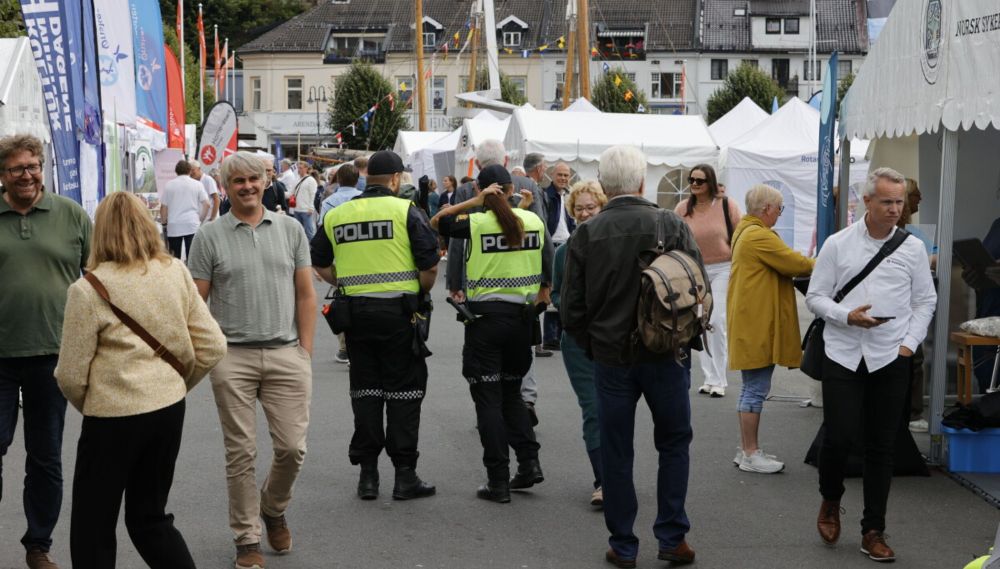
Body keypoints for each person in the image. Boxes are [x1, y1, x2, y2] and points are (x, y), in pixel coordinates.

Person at [54, 192, 226, 569]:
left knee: (92, 525)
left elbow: (69, 374)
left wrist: (96, 401)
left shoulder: (88, 289)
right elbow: (212, 345)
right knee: (150, 517)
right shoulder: (174, 271)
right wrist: (176, 383)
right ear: (148, 224)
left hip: (111, 417)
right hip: (167, 409)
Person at [561, 145, 699, 567]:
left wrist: (593, 345)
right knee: (674, 442)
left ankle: (624, 544)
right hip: (665, 353)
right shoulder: (671, 223)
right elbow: (696, 290)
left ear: (604, 186)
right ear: (643, 182)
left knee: (616, 449)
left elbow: (571, 309)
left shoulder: (586, 233)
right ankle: (672, 536)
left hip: (610, 357)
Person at [187, 151, 317, 569]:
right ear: (225, 187)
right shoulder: (209, 236)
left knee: (292, 448)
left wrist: (305, 352)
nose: (246, 187)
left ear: (266, 181)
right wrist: (208, 355)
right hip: (233, 358)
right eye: (237, 181)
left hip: (286, 353)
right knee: (240, 453)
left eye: (253, 179)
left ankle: (273, 506)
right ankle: (247, 539)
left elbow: (305, 294)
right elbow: (196, 303)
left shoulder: (291, 229)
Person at [806, 167, 936, 562]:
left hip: (890, 355)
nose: (895, 209)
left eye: (899, 202)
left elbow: (924, 301)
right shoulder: (838, 244)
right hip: (843, 352)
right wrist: (848, 317)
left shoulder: (912, 248)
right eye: (887, 202)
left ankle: (873, 530)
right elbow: (816, 296)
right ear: (866, 202)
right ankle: (830, 498)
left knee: (882, 446)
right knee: (840, 436)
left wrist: (909, 346)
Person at [311, 150, 439, 502]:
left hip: (355, 315)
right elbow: (429, 265)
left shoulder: (339, 214)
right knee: (404, 392)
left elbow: (318, 259)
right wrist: (417, 289)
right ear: (396, 179)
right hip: (400, 314)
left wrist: (344, 280)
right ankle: (405, 475)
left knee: (365, 391)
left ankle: (368, 477)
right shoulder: (405, 211)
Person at [432, 164, 550, 503]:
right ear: (512, 190)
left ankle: (497, 480)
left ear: (481, 191)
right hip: (522, 320)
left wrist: (473, 202)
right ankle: (528, 463)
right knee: (512, 394)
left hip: (485, 321)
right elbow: (520, 239)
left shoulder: (477, 222)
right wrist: (520, 207)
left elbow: (437, 222)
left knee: (488, 400)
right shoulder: (532, 221)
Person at [0, 133, 92, 569]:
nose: (27, 175)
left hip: (54, 355)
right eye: (17, 168)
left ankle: (38, 545)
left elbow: (99, 278)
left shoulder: (70, 215)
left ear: (43, 168)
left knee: (46, 455)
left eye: (33, 166)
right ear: (3, 174)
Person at [446, 140, 552, 424]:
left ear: (478, 165)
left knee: (486, 353)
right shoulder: (527, 183)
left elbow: (457, 243)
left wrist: (455, 280)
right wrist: (547, 282)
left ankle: (490, 402)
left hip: (484, 289)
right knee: (523, 347)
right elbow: (543, 237)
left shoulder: (468, 190)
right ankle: (524, 399)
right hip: (525, 287)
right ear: (506, 159)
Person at [727, 184, 814, 473]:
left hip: (751, 320)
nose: (779, 213)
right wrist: (831, 261)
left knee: (751, 389)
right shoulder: (758, 235)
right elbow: (797, 264)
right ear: (767, 209)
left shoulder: (746, 231)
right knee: (755, 390)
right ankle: (751, 453)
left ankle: (746, 450)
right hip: (757, 323)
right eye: (779, 208)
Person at [552, 180, 608, 507]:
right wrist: (574, 310)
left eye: (591, 207)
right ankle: (603, 480)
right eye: (579, 208)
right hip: (578, 343)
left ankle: (616, 473)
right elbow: (557, 293)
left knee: (615, 409)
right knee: (593, 408)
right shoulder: (563, 252)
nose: (585, 213)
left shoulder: (615, 248)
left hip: (614, 341)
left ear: (602, 208)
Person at [675, 164, 742, 397]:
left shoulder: (726, 205)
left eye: (700, 181)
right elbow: (676, 239)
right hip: (694, 270)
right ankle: (709, 377)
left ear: (710, 183)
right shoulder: (682, 208)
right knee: (699, 323)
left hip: (723, 267)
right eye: (691, 179)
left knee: (717, 321)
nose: (694, 184)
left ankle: (720, 379)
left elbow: (740, 235)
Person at [541, 161, 574, 353]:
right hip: (552, 245)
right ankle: (550, 336)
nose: (563, 178)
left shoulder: (569, 196)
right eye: (560, 175)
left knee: (565, 288)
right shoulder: (546, 195)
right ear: (552, 176)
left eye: (566, 175)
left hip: (568, 245)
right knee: (552, 288)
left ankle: (561, 334)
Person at [160, 160, 210, 259]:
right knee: (192, 258)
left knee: (175, 258)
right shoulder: (197, 184)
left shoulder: (169, 185)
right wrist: (201, 218)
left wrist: (164, 222)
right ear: (190, 171)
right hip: (192, 223)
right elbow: (207, 204)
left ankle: (176, 274)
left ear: (176, 171)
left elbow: (163, 207)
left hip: (174, 225)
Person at [289, 160, 318, 241]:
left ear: (306, 168)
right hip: (296, 209)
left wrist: (311, 208)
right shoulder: (297, 179)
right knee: (299, 232)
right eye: (298, 168)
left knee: (309, 232)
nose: (299, 170)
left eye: (301, 168)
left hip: (306, 210)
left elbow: (313, 195)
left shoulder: (311, 180)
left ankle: (313, 250)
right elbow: (291, 193)